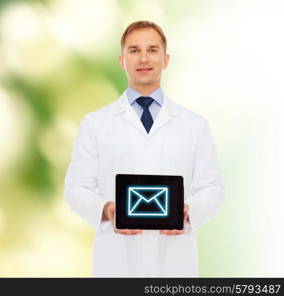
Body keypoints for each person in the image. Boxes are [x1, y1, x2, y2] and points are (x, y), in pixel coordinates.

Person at [64, 20, 224, 277]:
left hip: (174, 261)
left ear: (166, 58)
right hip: (116, 261)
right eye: (134, 50)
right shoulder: (95, 123)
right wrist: (107, 209)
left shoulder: (195, 125)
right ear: (121, 60)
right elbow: (76, 188)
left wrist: (187, 211)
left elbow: (212, 188)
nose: (143, 58)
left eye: (152, 50)